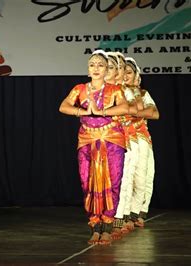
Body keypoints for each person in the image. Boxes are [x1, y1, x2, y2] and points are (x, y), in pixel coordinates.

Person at [59, 50, 129, 245]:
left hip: (111, 138)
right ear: (88, 70)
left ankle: (106, 226)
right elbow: (63, 106)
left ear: (106, 70)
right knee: (87, 183)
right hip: (87, 139)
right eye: (92, 65)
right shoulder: (79, 88)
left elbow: (125, 108)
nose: (96, 68)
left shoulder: (115, 89)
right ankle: (94, 226)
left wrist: (102, 111)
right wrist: (82, 111)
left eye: (100, 65)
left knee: (112, 181)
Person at [104, 52, 138, 240]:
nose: (113, 71)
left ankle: (119, 218)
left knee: (122, 181)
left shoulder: (126, 90)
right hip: (102, 137)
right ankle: (103, 219)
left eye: (113, 67)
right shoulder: (97, 89)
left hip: (124, 136)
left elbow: (134, 110)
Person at [125, 57, 159, 228]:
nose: (125, 76)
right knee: (128, 177)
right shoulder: (117, 93)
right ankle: (126, 214)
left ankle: (140, 212)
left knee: (146, 176)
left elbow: (154, 113)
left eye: (129, 73)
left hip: (142, 137)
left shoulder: (142, 94)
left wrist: (133, 113)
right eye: (122, 72)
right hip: (124, 137)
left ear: (136, 76)